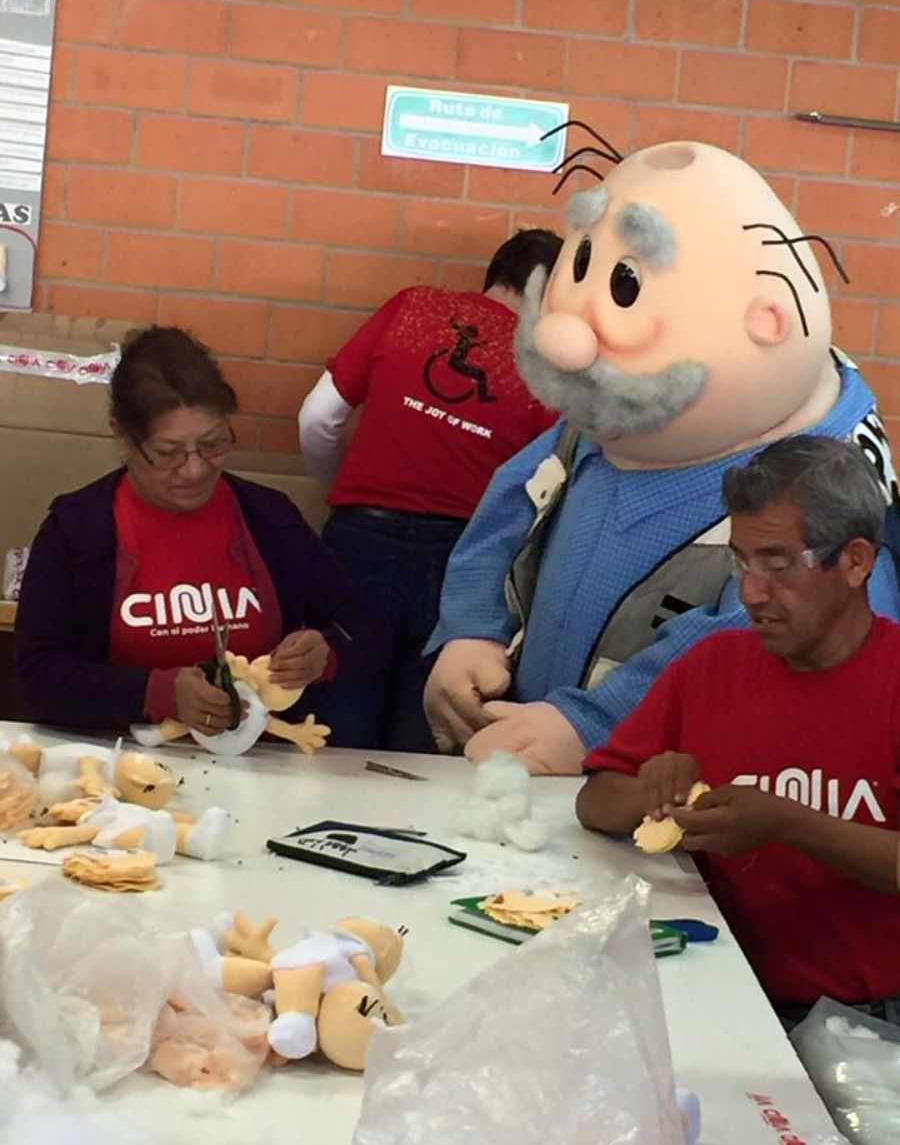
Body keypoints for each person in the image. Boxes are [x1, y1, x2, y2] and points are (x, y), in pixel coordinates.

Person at [424, 135, 900, 776]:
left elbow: (760, 639)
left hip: (673, 806)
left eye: (624, 284)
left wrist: (592, 721)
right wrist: (470, 628)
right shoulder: (600, 428)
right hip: (538, 779)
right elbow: (508, 511)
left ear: (768, 320)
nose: (564, 339)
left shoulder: (824, 494)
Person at [576, 436, 900, 1029]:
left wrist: (786, 824)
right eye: (741, 562)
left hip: (867, 1031)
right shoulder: (712, 665)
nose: (751, 592)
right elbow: (596, 800)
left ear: (855, 562)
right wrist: (657, 794)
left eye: (778, 564)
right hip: (709, 996)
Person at [15, 326, 380, 738]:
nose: (195, 469)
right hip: (123, 769)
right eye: (168, 453)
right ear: (122, 435)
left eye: (213, 444)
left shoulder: (269, 519)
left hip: (259, 764)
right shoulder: (77, 530)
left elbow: (365, 626)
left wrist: (326, 653)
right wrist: (156, 692)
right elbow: (38, 675)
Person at [298, 229, 563, 752]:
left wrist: (348, 492)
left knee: (332, 718)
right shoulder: (545, 365)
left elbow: (317, 418)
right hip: (463, 562)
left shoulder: (412, 307)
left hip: (360, 538)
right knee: (424, 733)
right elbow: (546, 494)